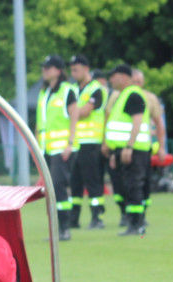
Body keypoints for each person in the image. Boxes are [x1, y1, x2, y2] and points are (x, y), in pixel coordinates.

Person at [102, 63, 150, 237]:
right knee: (128, 187)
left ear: (122, 76)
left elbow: (137, 122)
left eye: (113, 76)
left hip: (134, 149)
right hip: (124, 149)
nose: (110, 80)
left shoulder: (133, 94)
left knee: (133, 186)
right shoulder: (123, 95)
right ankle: (133, 223)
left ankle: (136, 224)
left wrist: (129, 146)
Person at [36, 55, 79, 241]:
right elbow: (40, 124)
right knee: (50, 190)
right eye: (44, 67)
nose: (44, 70)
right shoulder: (44, 93)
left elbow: (74, 118)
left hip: (62, 149)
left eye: (49, 67)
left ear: (59, 70)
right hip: (45, 149)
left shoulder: (68, 91)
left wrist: (70, 143)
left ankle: (64, 228)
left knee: (59, 188)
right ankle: (55, 229)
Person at [69, 55, 107, 230]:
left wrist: (71, 111)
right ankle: (73, 218)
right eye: (72, 69)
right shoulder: (74, 89)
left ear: (86, 68)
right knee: (75, 182)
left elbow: (85, 111)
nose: (73, 73)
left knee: (92, 181)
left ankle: (96, 217)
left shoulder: (96, 89)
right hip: (76, 142)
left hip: (91, 142)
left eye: (76, 69)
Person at [133, 67, 168, 228]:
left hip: (143, 147)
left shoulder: (150, 98)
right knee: (127, 184)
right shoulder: (119, 96)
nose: (137, 85)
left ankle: (141, 214)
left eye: (139, 82)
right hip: (124, 148)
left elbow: (159, 124)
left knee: (143, 182)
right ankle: (130, 216)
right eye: (134, 82)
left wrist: (161, 147)